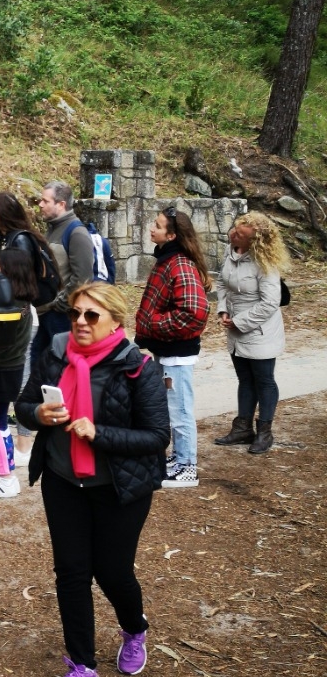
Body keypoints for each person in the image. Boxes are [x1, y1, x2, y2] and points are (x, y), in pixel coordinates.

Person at [15, 282, 169, 677]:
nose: (80, 322)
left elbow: (157, 436)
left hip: (119, 487)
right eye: (75, 313)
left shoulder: (137, 367)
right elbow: (23, 405)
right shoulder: (55, 353)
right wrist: (39, 414)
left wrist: (99, 433)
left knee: (113, 573)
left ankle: (134, 629)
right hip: (63, 481)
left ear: (115, 321)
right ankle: (82, 667)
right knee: (72, 573)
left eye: (91, 315)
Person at [134, 207, 212, 488]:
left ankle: (187, 467)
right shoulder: (167, 259)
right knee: (171, 409)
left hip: (177, 354)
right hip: (168, 350)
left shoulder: (179, 264)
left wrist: (153, 324)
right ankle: (178, 458)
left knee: (180, 412)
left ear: (172, 235)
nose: (151, 228)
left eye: (157, 225)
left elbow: (194, 312)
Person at [214, 212, 290, 455]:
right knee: (245, 379)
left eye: (240, 234)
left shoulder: (265, 263)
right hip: (235, 328)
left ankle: (265, 432)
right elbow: (222, 283)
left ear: (254, 242)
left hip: (260, 331)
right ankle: (242, 428)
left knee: (264, 380)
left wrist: (240, 322)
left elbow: (270, 303)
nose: (233, 235)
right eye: (235, 229)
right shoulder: (231, 251)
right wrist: (223, 310)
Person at [0, 191, 56, 459]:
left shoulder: (19, 240)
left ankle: (24, 444)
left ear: (2, 214)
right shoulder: (9, 237)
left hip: (22, 316)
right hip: (18, 314)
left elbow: (21, 282)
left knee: (21, 381)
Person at [0, 246, 35, 498]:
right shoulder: (22, 300)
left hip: (0, 370)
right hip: (9, 369)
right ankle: (5, 471)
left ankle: (6, 477)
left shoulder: (9, 305)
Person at [35, 181, 94, 364]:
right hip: (44, 312)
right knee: (40, 366)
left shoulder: (76, 233)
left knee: (60, 365)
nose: (40, 204)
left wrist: (59, 304)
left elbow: (83, 278)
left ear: (61, 204)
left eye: (45, 201)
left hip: (60, 316)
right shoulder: (52, 229)